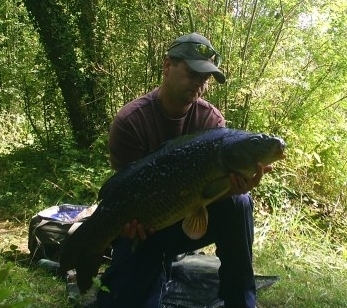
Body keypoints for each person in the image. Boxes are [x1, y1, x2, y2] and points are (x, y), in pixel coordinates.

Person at [97, 32, 271, 308]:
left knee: (240, 202)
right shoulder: (131, 121)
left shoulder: (211, 120)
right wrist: (128, 225)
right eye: (193, 74)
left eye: (205, 79)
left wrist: (232, 189)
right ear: (167, 66)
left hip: (191, 219)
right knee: (127, 298)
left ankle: (240, 301)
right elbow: (123, 188)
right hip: (148, 225)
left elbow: (212, 194)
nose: (199, 84)